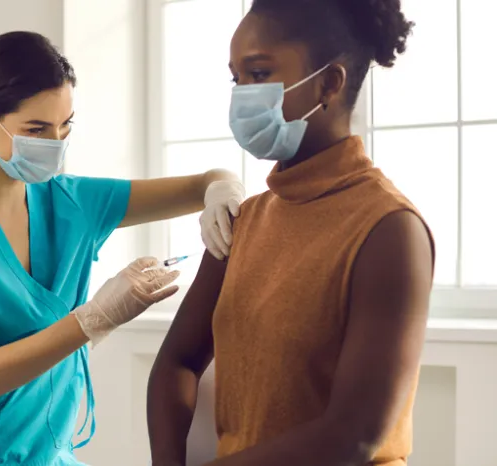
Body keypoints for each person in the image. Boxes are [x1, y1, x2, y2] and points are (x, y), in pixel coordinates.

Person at [0, 31, 245, 466]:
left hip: (44, 455)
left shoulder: (72, 201)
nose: (55, 144)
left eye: (65, 125)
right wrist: (93, 319)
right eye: (36, 130)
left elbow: (204, 182)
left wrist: (223, 189)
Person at [147, 1, 435, 465]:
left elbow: (353, 436)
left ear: (329, 83)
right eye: (236, 78)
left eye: (259, 74)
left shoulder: (389, 231)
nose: (242, 95)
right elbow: (176, 363)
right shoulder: (243, 222)